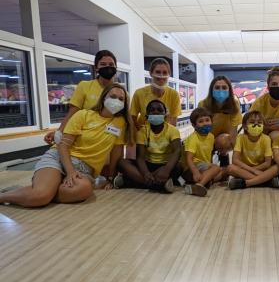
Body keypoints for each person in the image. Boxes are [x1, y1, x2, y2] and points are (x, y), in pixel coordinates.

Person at [0, 84, 133, 207]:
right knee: (40, 196)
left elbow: (116, 151)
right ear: (104, 98)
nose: (117, 101)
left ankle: (39, 190)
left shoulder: (120, 123)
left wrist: (110, 177)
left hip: (85, 169)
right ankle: (7, 196)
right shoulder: (83, 115)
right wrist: (70, 172)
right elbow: (62, 146)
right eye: (113, 97)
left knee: (83, 190)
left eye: (121, 99)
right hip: (59, 158)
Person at [44, 50, 118, 145]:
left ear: (116, 68)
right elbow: (72, 113)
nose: (108, 67)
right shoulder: (84, 86)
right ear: (96, 68)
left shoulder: (121, 93)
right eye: (103, 64)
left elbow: (123, 118)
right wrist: (58, 132)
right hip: (84, 139)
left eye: (111, 64)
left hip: (109, 139)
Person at [114, 100, 182, 193]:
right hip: (148, 165)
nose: (156, 112)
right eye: (152, 110)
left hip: (165, 165)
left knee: (178, 167)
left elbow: (177, 150)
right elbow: (140, 158)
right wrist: (146, 173)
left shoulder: (173, 130)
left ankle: (130, 182)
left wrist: (166, 169)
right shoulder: (142, 131)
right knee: (122, 162)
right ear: (146, 115)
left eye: (159, 110)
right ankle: (158, 185)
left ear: (165, 115)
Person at [227, 111, 279, 190]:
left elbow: (267, 163)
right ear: (245, 126)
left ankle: (247, 183)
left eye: (259, 122)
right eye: (252, 122)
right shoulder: (240, 138)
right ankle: (267, 181)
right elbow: (235, 160)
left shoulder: (266, 138)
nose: (256, 124)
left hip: (261, 169)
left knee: (277, 167)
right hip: (245, 169)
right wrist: (253, 171)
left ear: (263, 126)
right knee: (230, 168)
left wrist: (255, 170)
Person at [198, 76, 242, 166]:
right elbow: (199, 130)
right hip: (207, 136)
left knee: (222, 141)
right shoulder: (203, 104)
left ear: (229, 90)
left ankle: (224, 156)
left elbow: (233, 133)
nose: (221, 90)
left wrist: (237, 160)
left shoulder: (234, 104)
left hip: (224, 139)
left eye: (224, 87)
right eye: (217, 88)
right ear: (211, 90)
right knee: (206, 167)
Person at [182, 107, 222, 197]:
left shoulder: (211, 136)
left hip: (204, 165)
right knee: (216, 169)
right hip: (193, 166)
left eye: (207, 120)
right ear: (194, 125)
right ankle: (200, 185)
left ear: (211, 121)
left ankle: (199, 182)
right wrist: (195, 171)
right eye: (201, 121)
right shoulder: (193, 139)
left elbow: (209, 154)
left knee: (222, 173)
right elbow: (189, 159)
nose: (205, 124)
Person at [130, 58, 181, 128]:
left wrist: (168, 136)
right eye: (157, 72)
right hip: (144, 135)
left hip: (165, 135)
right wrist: (140, 133)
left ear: (169, 74)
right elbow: (132, 118)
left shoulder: (174, 95)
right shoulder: (139, 93)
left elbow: (173, 122)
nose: (161, 75)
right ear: (151, 73)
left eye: (165, 72)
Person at [249, 66, 279, 140]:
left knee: (275, 135)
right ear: (268, 87)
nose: (278, 87)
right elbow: (251, 125)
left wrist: (269, 125)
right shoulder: (258, 102)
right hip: (261, 134)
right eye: (274, 84)